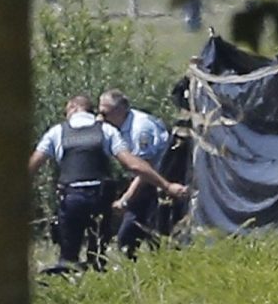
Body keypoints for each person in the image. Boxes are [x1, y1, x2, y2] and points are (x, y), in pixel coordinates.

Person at [28, 94, 186, 270]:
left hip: (71, 198)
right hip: (100, 199)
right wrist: (166, 185)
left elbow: (33, 165)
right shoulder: (106, 130)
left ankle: (70, 283)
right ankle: (99, 283)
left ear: (72, 108)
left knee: (67, 258)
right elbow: (133, 164)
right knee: (97, 256)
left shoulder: (56, 132)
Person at [100, 89, 174, 256]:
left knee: (136, 235)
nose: (101, 117)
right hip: (143, 181)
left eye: (105, 113)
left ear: (120, 110)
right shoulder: (117, 125)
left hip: (155, 182)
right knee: (137, 236)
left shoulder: (141, 128)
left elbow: (144, 168)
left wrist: (125, 199)